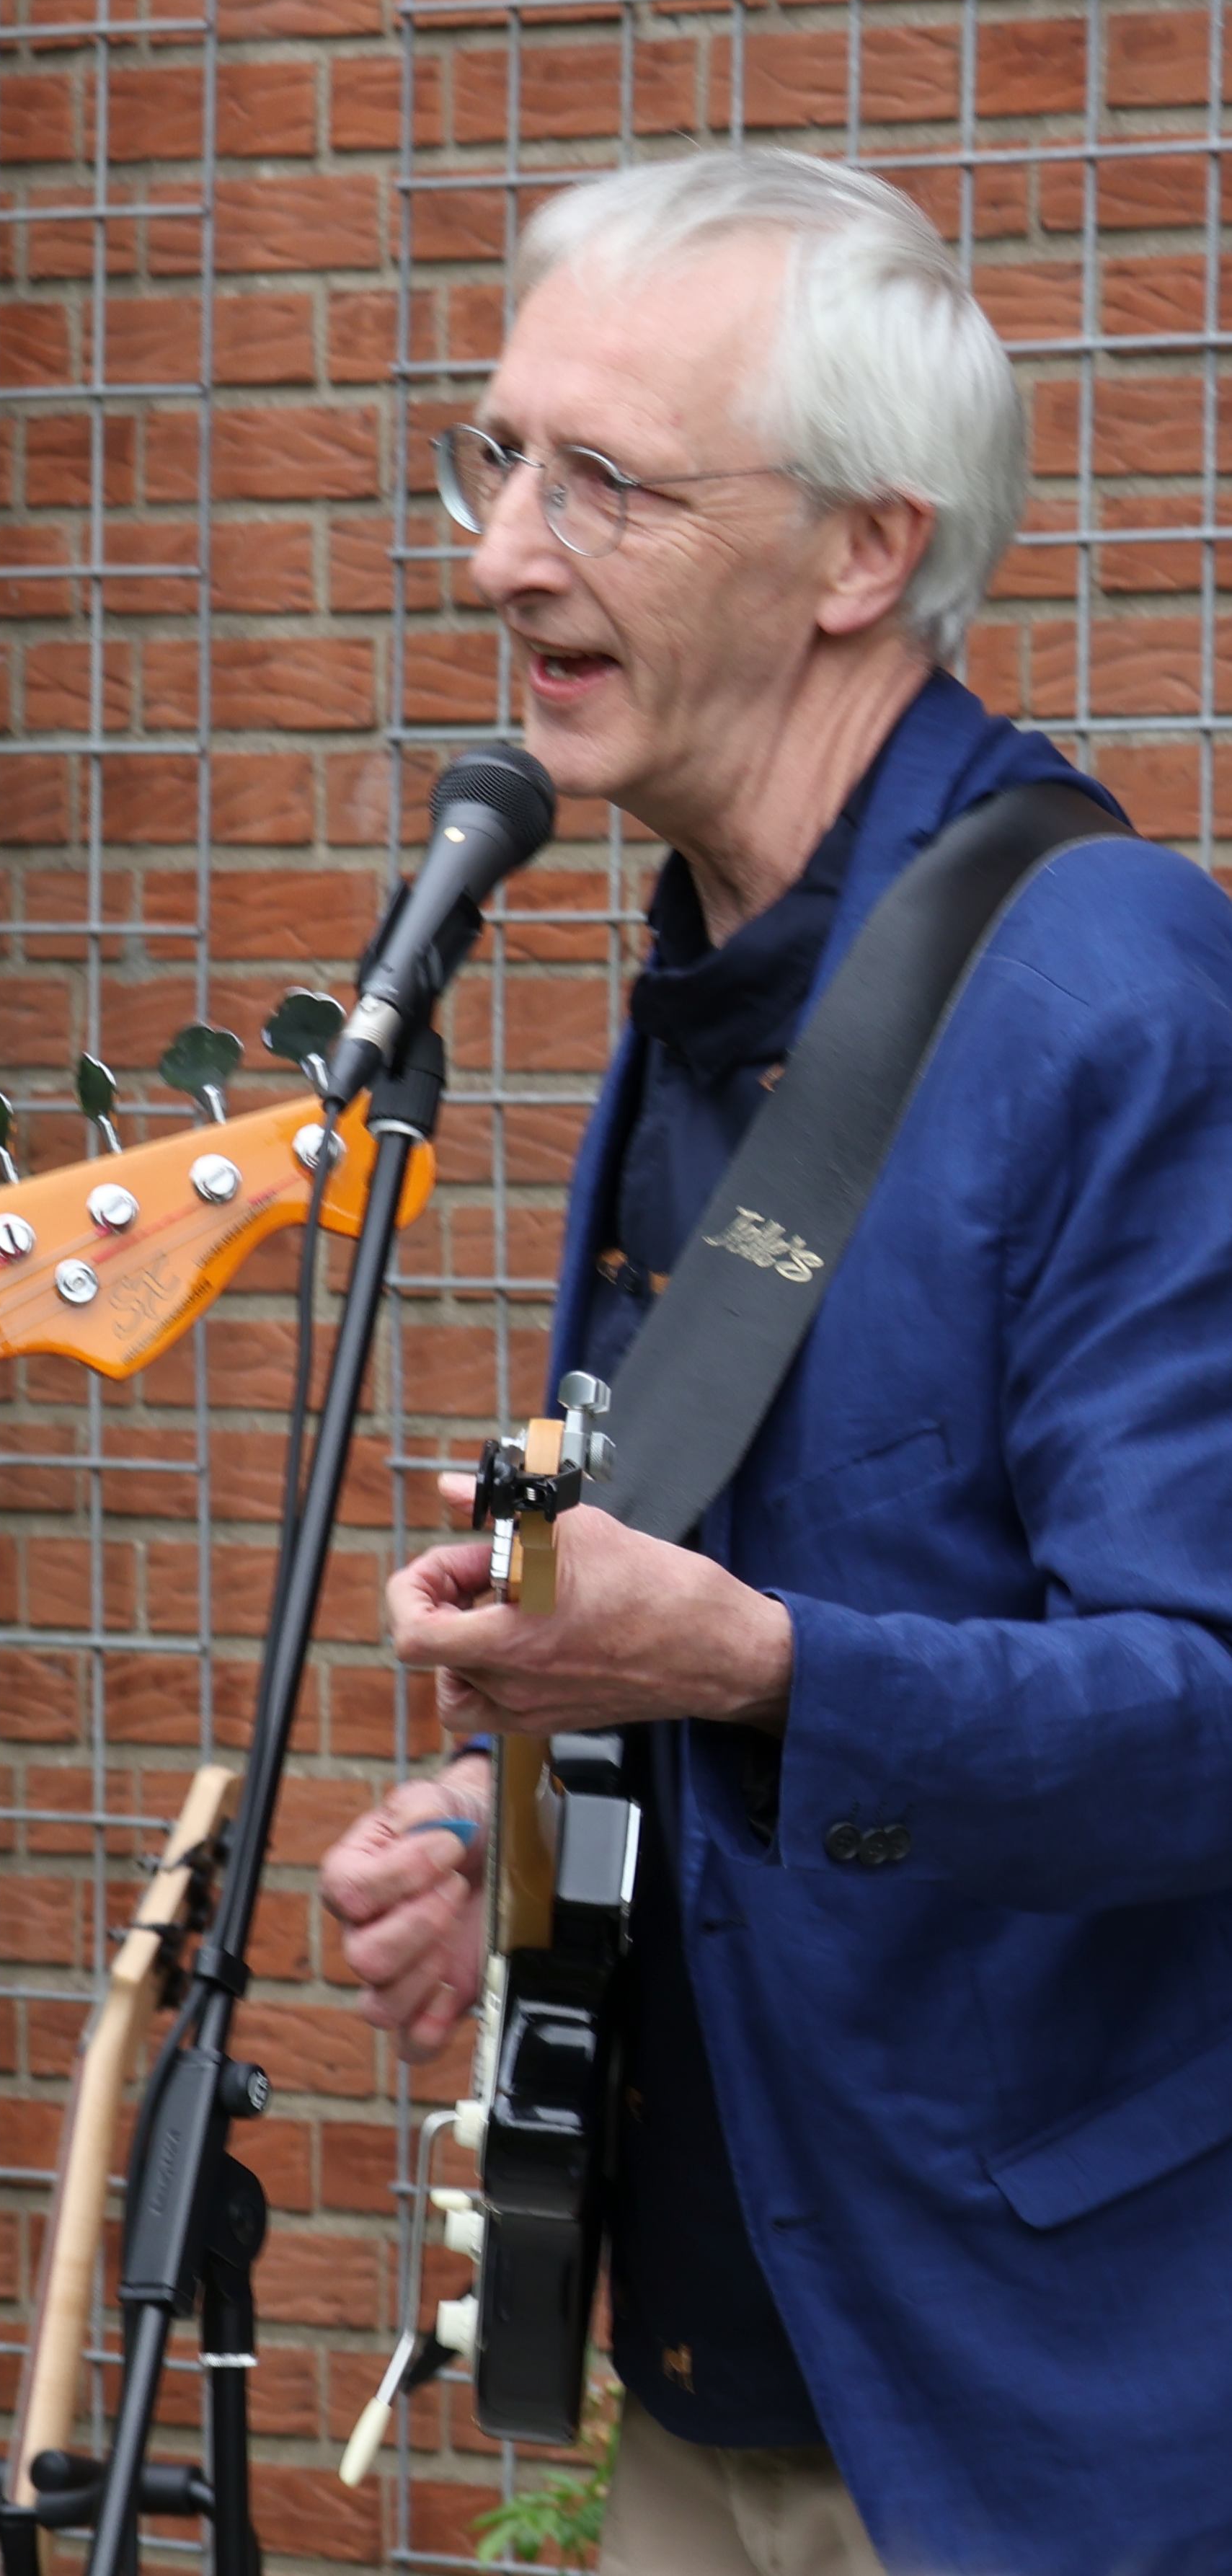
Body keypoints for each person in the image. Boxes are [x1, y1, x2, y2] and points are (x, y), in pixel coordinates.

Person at [317, 146, 1232, 2575]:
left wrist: (748, 1661)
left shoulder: (1106, 992)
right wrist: (492, 1835)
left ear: (860, 552)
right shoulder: (713, 983)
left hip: (1028, 2424)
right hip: (718, 2376)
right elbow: (734, 1620)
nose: (504, 550)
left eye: (602, 478)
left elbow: (1205, 1709)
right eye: (494, 457)